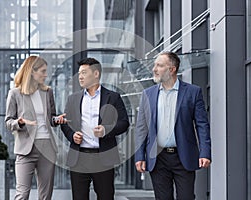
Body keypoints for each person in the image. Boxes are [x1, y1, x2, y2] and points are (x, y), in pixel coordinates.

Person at [135, 52, 211, 200]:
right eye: (155, 65)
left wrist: (205, 152)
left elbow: (202, 124)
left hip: (184, 156)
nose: (154, 69)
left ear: (172, 69)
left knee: (186, 197)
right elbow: (141, 128)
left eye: (159, 65)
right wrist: (140, 156)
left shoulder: (192, 92)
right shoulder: (147, 94)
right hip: (158, 158)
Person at [61, 57, 129, 200]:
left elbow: (124, 123)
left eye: (84, 73)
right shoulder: (73, 99)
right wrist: (72, 135)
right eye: (79, 73)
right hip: (79, 158)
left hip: (103, 157)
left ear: (96, 74)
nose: (80, 76)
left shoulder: (113, 97)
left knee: (106, 196)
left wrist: (106, 130)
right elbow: (65, 123)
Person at [5, 55, 66, 200]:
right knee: (22, 194)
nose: (46, 75)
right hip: (26, 149)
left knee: (45, 196)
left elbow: (51, 118)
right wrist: (19, 122)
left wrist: (57, 120)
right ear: (32, 71)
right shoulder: (15, 93)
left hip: (47, 147)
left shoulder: (47, 92)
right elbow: (8, 122)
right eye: (43, 71)